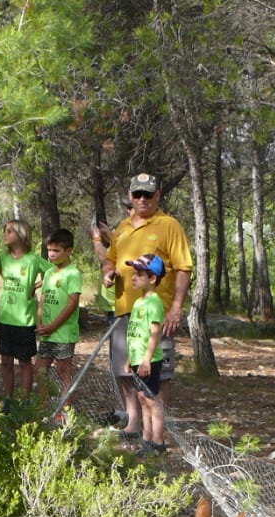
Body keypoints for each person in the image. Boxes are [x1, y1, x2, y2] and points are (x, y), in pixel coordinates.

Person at [91, 173, 193, 437]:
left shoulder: (169, 225)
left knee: (159, 373)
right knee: (124, 369)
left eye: (148, 194)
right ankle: (133, 422)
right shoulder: (122, 228)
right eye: (137, 194)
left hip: (157, 313)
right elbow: (111, 259)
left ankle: (156, 431)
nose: (142, 199)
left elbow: (184, 268)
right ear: (130, 195)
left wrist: (176, 308)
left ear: (157, 195)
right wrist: (108, 272)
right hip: (124, 311)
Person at [0, 219, 47, 399]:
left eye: (9, 231)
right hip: (5, 317)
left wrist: (36, 286)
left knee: (25, 361)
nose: (5, 234)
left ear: (21, 234)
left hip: (25, 319)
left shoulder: (33, 259)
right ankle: (8, 399)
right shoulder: (3, 258)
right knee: (6, 361)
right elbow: (2, 272)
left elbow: (53, 272)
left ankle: (25, 401)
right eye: (5, 230)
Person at [33, 228, 83, 415]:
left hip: (63, 334)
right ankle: (43, 410)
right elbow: (43, 298)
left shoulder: (73, 273)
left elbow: (72, 303)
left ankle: (66, 414)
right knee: (40, 371)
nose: (51, 254)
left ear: (69, 251)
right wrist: (39, 322)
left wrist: (53, 326)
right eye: (49, 250)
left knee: (64, 373)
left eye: (56, 250)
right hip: (46, 334)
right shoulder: (48, 273)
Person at [124, 253, 168, 456]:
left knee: (151, 400)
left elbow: (154, 333)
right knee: (142, 398)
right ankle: (147, 438)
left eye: (140, 274)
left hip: (148, 361)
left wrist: (146, 360)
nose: (134, 277)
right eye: (134, 273)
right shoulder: (138, 302)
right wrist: (130, 358)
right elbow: (135, 334)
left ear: (152, 279)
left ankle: (158, 442)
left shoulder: (154, 302)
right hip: (137, 359)